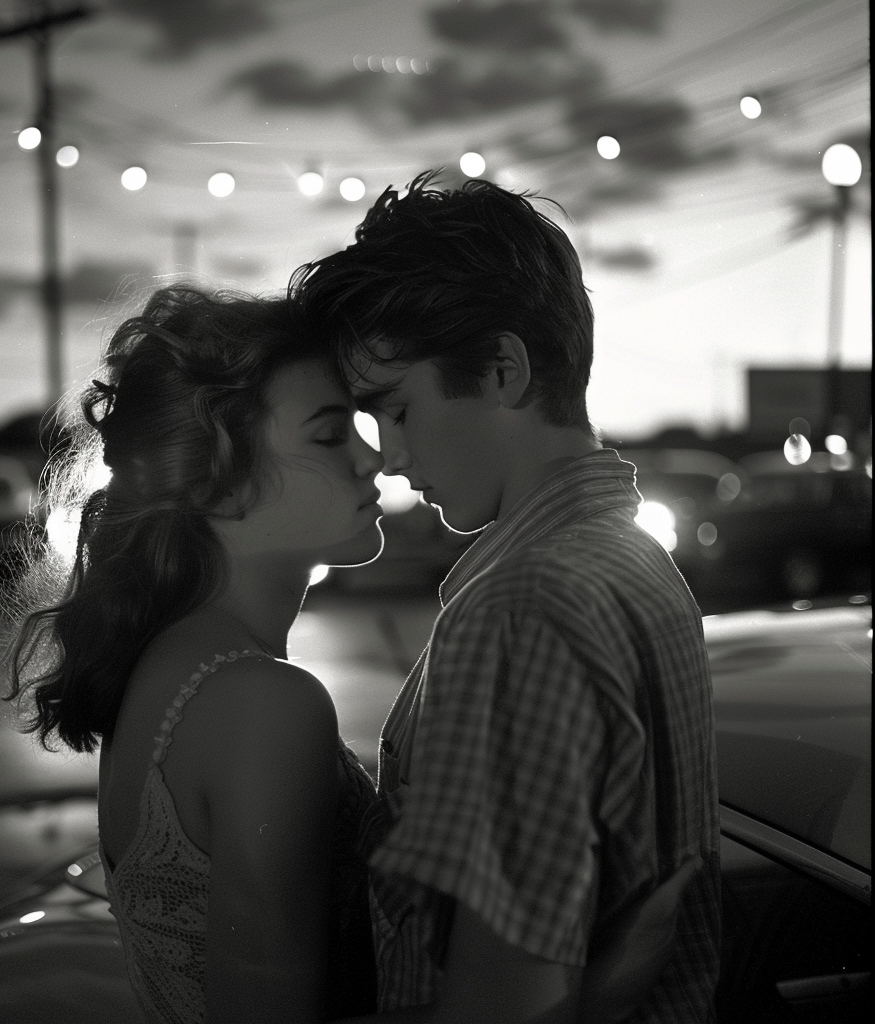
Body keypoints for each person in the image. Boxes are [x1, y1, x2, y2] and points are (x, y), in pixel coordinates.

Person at [290, 171, 721, 1023]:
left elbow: (501, 1005)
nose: (390, 457)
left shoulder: (523, 609)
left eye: (399, 410)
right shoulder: (630, 559)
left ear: (501, 369)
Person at [0, 285, 385, 1023]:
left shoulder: (176, 662)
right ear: (216, 479)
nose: (377, 459)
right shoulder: (262, 703)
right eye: (332, 435)